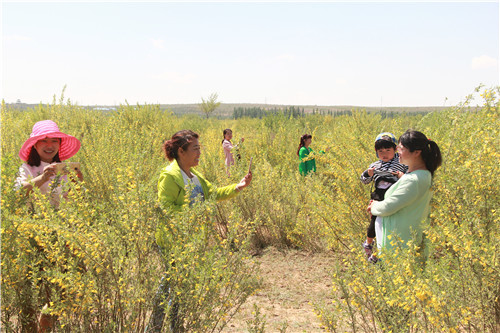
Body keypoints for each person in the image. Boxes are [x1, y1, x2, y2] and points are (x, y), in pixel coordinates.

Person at [147, 130, 252, 333]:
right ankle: (156, 327)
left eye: (199, 148)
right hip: (172, 240)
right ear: (181, 151)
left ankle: (173, 326)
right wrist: (195, 211)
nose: (199, 153)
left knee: (179, 286)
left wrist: (238, 186)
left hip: (190, 240)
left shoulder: (195, 177)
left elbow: (213, 194)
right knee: (172, 284)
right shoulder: (170, 176)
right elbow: (165, 208)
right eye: (195, 148)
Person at [14, 119, 82, 332]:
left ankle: (46, 325)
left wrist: (78, 182)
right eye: (44, 140)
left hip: (61, 233)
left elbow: (74, 202)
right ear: (34, 145)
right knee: (33, 287)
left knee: (63, 286)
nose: (50, 145)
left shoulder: (63, 168)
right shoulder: (28, 168)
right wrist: (43, 178)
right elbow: (18, 192)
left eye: (54, 140)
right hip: (33, 234)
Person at [367, 130, 442, 262]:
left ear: (417, 152)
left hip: (401, 244)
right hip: (404, 240)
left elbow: (389, 207)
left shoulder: (414, 179)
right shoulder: (421, 174)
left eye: (401, 148)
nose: (397, 151)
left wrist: (374, 206)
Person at [360, 132, 408, 262]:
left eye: (388, 150)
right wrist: (367, 174)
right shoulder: (374, 165)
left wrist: (401, 176)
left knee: (392, 225)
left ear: (395, 150)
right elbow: (364, 180)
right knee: (375, 224)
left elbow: (409, 178)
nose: (384, 153)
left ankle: (388, 252)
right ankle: (368, 244)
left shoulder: (400, 162)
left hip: (393, 196)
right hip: (379, 197)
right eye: (380, 151)